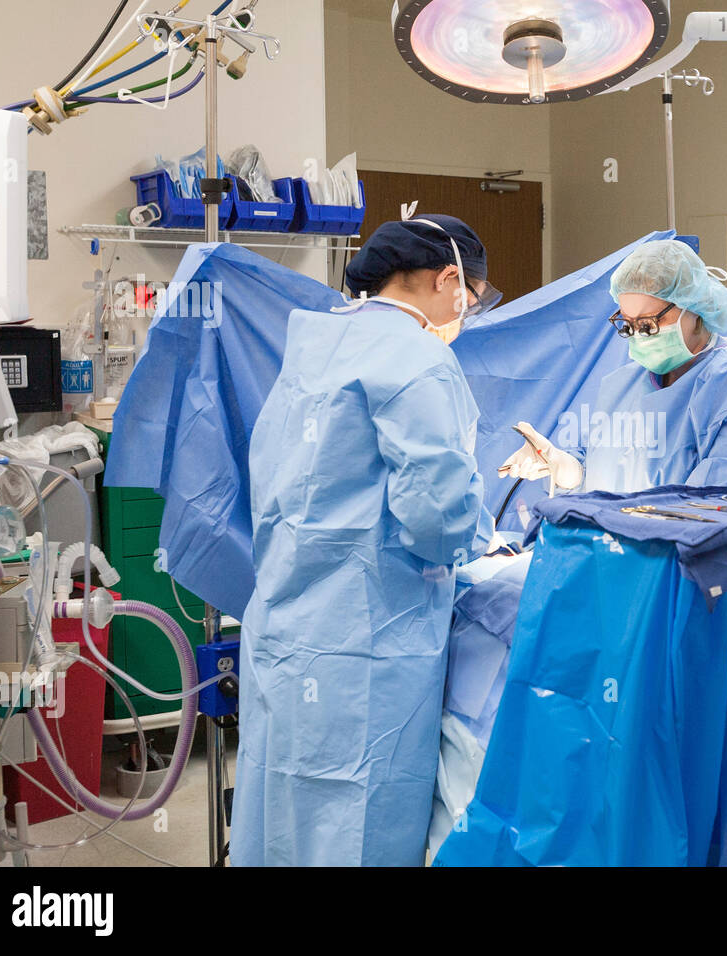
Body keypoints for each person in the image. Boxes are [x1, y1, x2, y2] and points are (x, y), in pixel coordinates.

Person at [231, 215, 501, 867]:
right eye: (474, 295)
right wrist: (483, 544)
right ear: (448, 279)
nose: (469, 310)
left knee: (284, 807)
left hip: (284, 631)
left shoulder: (315, 346)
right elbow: (437, 515)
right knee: (354, 818)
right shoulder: (417, 359)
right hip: (367, 642)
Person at [501, 239, 727, 493]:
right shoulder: (625, 384)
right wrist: (563, 466)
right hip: (619, 554)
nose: (638, 337)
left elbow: (721, 510)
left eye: (648, 324)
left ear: (693, 310)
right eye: (628, 325)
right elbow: (603, 472)